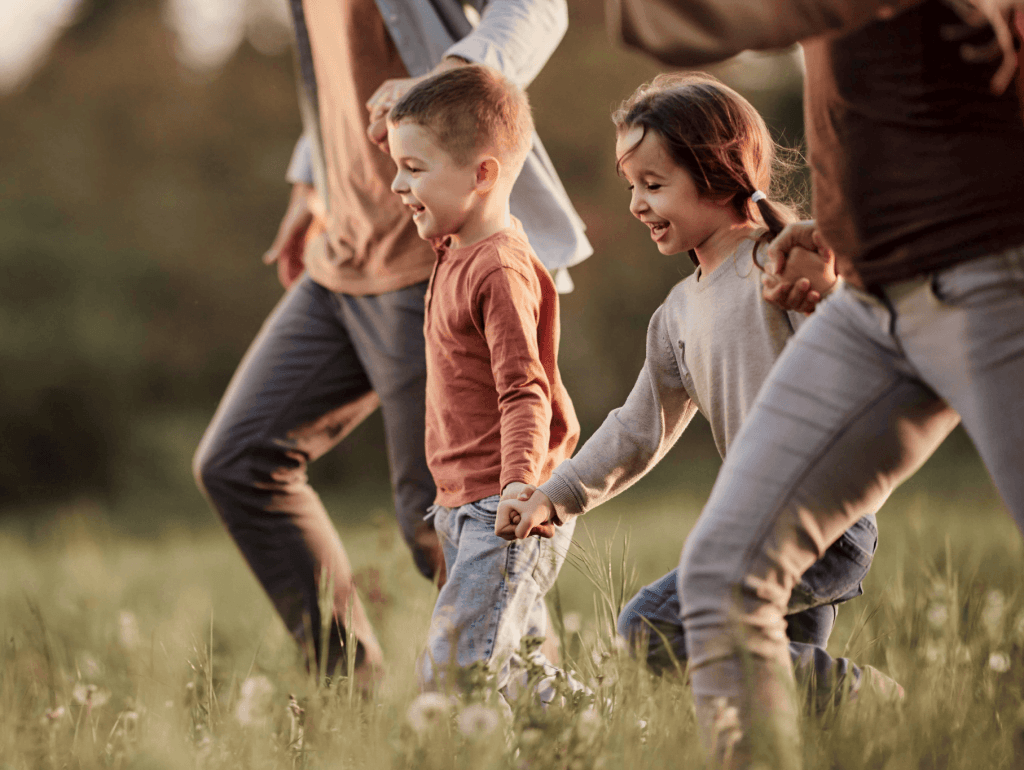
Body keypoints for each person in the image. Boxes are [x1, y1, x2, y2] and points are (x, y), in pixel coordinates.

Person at [606, 0, 1024, 766]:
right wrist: (838, 226)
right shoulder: (682, 310)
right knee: (721, 584)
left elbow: (681, 21)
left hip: (992, 274)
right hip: (873, 293)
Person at [192, 0, 590, 684]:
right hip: (343, 253)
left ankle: (536, 727)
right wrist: (313, 179)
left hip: (434, 264)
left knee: (450, 525)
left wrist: (451, 73)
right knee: (238, 460)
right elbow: (340, 71)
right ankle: (351, 691)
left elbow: (538, 8)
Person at [496, 73, 906, 710]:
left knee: (653, 628)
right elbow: (639, 428)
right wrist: (556, 496)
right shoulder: (677, 314)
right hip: (764, 519)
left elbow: (861, 348)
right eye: (632, 185)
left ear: (718, 176)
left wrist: (828, 289)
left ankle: (870, 698)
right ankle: (858, 722)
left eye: (653, 185)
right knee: (773, 707)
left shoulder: (778, 263)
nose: (635, 204)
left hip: (824, 520)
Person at [385, 65, 584, 705]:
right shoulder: (455, 247)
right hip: (461, 504)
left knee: (452, 678)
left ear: (483, 174)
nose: (397, 184)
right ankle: (601, 729)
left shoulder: (498, 267)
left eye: (413, 168)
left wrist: (519, 487)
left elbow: (524, 389)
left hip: (501, 508)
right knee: (518, 669)